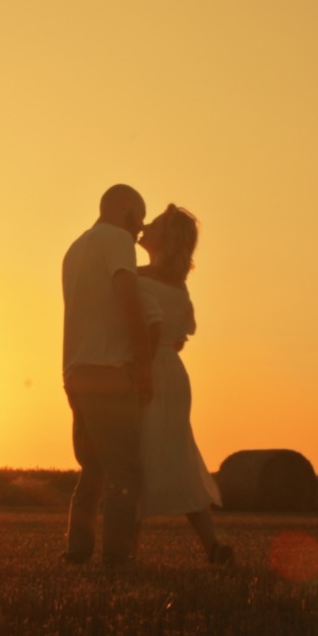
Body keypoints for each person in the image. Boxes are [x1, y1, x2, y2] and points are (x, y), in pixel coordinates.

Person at [61, 184, 160, 566]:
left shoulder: (75, 248)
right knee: (125, 469)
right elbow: (128, 298)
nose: (141, 228)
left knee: (94, 469)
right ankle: (117, 556)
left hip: (75, 370)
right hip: (108, 370)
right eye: (140, 215)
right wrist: (143, 363)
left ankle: (77, 549)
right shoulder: (117, 240)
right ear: (124, 208)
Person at [134, 205, 232, 564]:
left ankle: (125, 554)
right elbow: (180, 339)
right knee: (179, 458)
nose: (144, 226)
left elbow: (151, 330)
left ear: (166, 238)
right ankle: (213, 547)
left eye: (154, 224)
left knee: (134, 459)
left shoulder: (135, 277)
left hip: (145, 370)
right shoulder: (179, 286)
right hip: (174, 373)